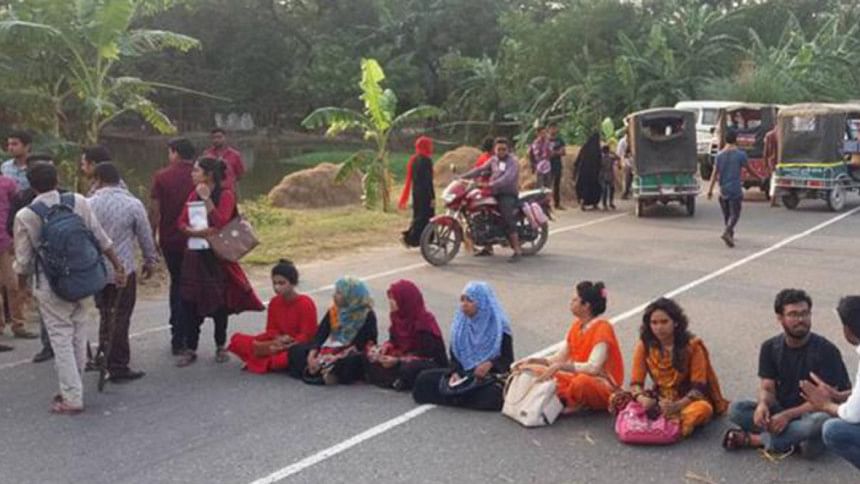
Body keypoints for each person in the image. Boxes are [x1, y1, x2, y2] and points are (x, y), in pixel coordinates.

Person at [13, 162, 126, 414]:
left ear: (31, 186)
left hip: (51, 285)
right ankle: (74, 387)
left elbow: (23, 262)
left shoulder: (26, 215)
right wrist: (118, 267)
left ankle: (72, 396)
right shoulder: (78, 201)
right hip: (85, 277)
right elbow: (101, 238)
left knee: (61, 338)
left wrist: (21, 292)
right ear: (57, 180)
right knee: (78, 332)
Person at [723, 289, 851, 457]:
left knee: (819, 423)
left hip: (812, 413)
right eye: (793, 314)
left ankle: (758, 440)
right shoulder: (770, 347)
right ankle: (792, 441)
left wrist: (786, 416)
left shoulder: (826, 351)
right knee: (736, 409)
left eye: (805, 313)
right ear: (780, 318)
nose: (801, 319)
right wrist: (763, 405)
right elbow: (767, 387)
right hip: (781, 407)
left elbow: (826, 402)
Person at [176, 157, 264, 367]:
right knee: (190, 302)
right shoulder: (193, 193)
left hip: (217, 257)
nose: (192, 174)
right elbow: (181, 220)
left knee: (219, 303)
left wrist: (207, 200)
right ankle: (191, 348)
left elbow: (221, 221)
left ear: (208, 175)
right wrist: (191, 231)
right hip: (195, 254)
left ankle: (220, 345)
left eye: (197, 171)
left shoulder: (225, 194)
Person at [88, 163, 158, 382]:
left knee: (105, 312)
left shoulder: (88, 204)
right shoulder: (133, 204)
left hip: (97, 270)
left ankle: (103, 354)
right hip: (123, 269)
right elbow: (145, 236)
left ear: (98, 179)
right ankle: (118, 364)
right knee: (121, 315)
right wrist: (150, 260)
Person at [515, 281, 623, 413]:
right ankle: (569, 399)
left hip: (600, 384)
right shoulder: (577, 326)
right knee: (532, 369)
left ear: (586, 306)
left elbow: (593, 368)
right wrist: (534, 361)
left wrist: (559, 367)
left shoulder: (603, 328)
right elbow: (558, 358)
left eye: (575, 300)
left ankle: (570, 401)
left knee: (581, 383)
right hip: (575, 377)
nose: (571, 302)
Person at [629, 298, 729, 438]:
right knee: (617, 399)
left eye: (664, 322)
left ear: (675, 322)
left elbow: (699, 387)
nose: (659, 327)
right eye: (654, 323)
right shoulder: (644, 345)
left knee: (703, 409)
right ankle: (665, 425)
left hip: (687, 400)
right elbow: (636, 383)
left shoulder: (692, 347)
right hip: (659, 398)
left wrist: (677, 406)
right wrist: (642, 399)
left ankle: (663, 425)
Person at [412, 281, 514, 411]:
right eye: (462, 300)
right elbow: (454, 356)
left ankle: (456, 397)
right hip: (463, 374)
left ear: (482, 303)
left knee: (494, 394)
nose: (464, 304)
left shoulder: (499, 328)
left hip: (486, 377)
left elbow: (508, 360)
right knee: (423, 379)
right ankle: (461, 397)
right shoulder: (460, 326)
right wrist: (455, 372)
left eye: (470, 300)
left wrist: (490, 364)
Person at [800, 296, 860, 469]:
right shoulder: (771, 347)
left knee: (833, 430)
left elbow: (852, 415)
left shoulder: (825, 349)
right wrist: (839, 396)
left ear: (847, 330)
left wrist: (825, 404)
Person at [227, 259, 318, 374]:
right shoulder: (274, 302)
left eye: (281, 283)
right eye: (274, 283)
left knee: (285, 358)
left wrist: (287, 343)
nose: (277, 287)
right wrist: (277, 339)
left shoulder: (306, 303)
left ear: (293, 283)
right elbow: (271, 329)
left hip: (295, 346)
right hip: (276, 343)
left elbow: (307, 335)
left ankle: (257, 361)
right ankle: (262, 360)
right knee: (237, 340)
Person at [150, 137, 196, 355]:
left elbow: (155, 211)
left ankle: (178, 334)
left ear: (175, 153)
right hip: (198, 239)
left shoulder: (162, 176)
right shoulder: (201, 175)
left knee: (177, 283)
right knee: (193, 284)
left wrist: (152, 237)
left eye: (170, 152)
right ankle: (190, 333)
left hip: (171, 239)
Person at [288, 277, 378, 385]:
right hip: (332, 347)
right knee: (296, 350)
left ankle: (329, 373)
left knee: (351, 362)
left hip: (351, 351)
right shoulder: (334, 311)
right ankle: (317, 369)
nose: (334, 296)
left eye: (339, 293)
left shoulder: (366, 315)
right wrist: (312, 355)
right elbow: (320, 334)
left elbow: (363, 345)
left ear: (350, 296)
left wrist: (334, 357)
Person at [365, 280, 448, 391]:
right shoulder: (397, 317)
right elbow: (393, 342)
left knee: (409, 368)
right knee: (369, 357)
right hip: (403, 356)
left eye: (394, 299)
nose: (390, 302)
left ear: (405, 300)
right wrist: (383, 349)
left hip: (428, 362)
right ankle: (397, 380)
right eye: (390, 299)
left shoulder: (424, 323)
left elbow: (427, 357)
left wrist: (398, 361)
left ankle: (399, 380)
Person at [460, 138, 523, 262]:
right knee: (482, 213)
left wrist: (490, 184)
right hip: (493, 192)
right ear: (494, 149)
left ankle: (517, 250)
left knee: (507, 217)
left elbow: (507, 179)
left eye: (504, 149)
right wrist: (462, 177)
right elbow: (480, 169)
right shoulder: (493, 160)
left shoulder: (513, 162)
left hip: (507, 194)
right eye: (499, 149)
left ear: (508, 150)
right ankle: (488, 246)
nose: (501, 151)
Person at [1, 167, 37, 341]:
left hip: (5, 241)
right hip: (7, 241)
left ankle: (18, 324)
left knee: (13, 284)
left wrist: (14, 236)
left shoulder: (8, 184)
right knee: (11, 285)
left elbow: (16, 208)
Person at [707, 131, 758, 248]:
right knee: (735, 214)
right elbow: (749, 169)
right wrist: (759, 177)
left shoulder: (719, 156)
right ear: (736, 140)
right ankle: (727, 232)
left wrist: (710, 190)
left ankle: (729, 233)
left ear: (725, 140)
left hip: (723, 190)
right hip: (735, 189)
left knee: (727, 214)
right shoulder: (740, 155)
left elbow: (714, 174)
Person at [399, 136, 435, 248]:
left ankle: (414, 238)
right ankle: (414, 239)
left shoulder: (414, 160)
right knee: (427, 217)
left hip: (416, 192)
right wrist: (432, 197)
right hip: (425, 194)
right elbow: (428, 181)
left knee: (418, 216)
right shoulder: (426, 161)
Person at [574, 133, 602, 210]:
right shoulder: (597, 149)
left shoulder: (585, 147)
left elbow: (578, 159)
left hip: (583, 173)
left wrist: (576, 169)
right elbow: (599, 161)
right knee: (594, 188)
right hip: (594, 174)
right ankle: (594, 203)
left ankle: (582, 202)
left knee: (584, 188)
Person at [548, 123, 566, 209]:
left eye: (555, 128)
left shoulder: (560, 140)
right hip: (547, 165)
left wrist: (554, 153)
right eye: (552, 128)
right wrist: (556, 152)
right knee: (547, 184)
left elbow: (563, 152)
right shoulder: (546, 140)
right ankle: (546, 203)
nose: (553, 130)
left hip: (557, 164)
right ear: (549, 129)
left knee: (556, 184)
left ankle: (557, 203)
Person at [763, 127, 779, 207]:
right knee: (774, 181)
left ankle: (773, 199)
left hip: (771, 161)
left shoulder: (768, 135)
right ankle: (773, 199)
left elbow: (765, 151)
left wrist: (765, 163)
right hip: (778, 161)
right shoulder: (781, 134)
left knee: (773, 180)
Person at [599, 145, 618, 210]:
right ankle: (607, 204)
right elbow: (617, 157)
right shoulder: (603, 158)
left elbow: (617, 157)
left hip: (607, 174)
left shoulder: (608, 157)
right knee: (605, 190)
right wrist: (612, 152)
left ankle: (609, 203)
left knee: (610, 189)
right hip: (605, 175)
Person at [617, 134, 633, 200]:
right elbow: (619, 154)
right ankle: (624, 194)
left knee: (630, 179)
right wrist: (619, 163)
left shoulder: (633, 140)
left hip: (632, 162)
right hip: (625, 162)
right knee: (626, 179)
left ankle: (626, 193)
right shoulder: (622, 142)